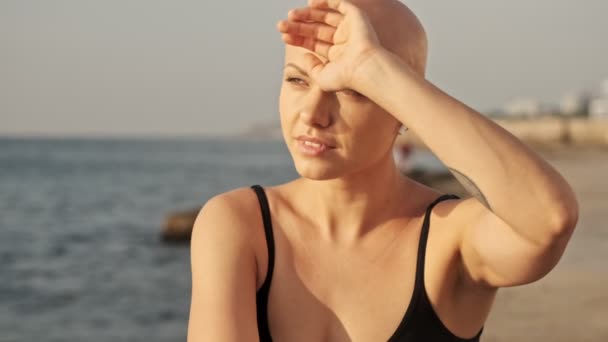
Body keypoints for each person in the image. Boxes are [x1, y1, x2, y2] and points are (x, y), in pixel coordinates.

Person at [187, 0, 579, 341]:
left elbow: (549, 220)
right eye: (296, 80)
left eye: (353, 90)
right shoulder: (240, 225)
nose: (312, 114)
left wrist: (373, 67)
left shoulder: (449, 240)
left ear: (400, 101)